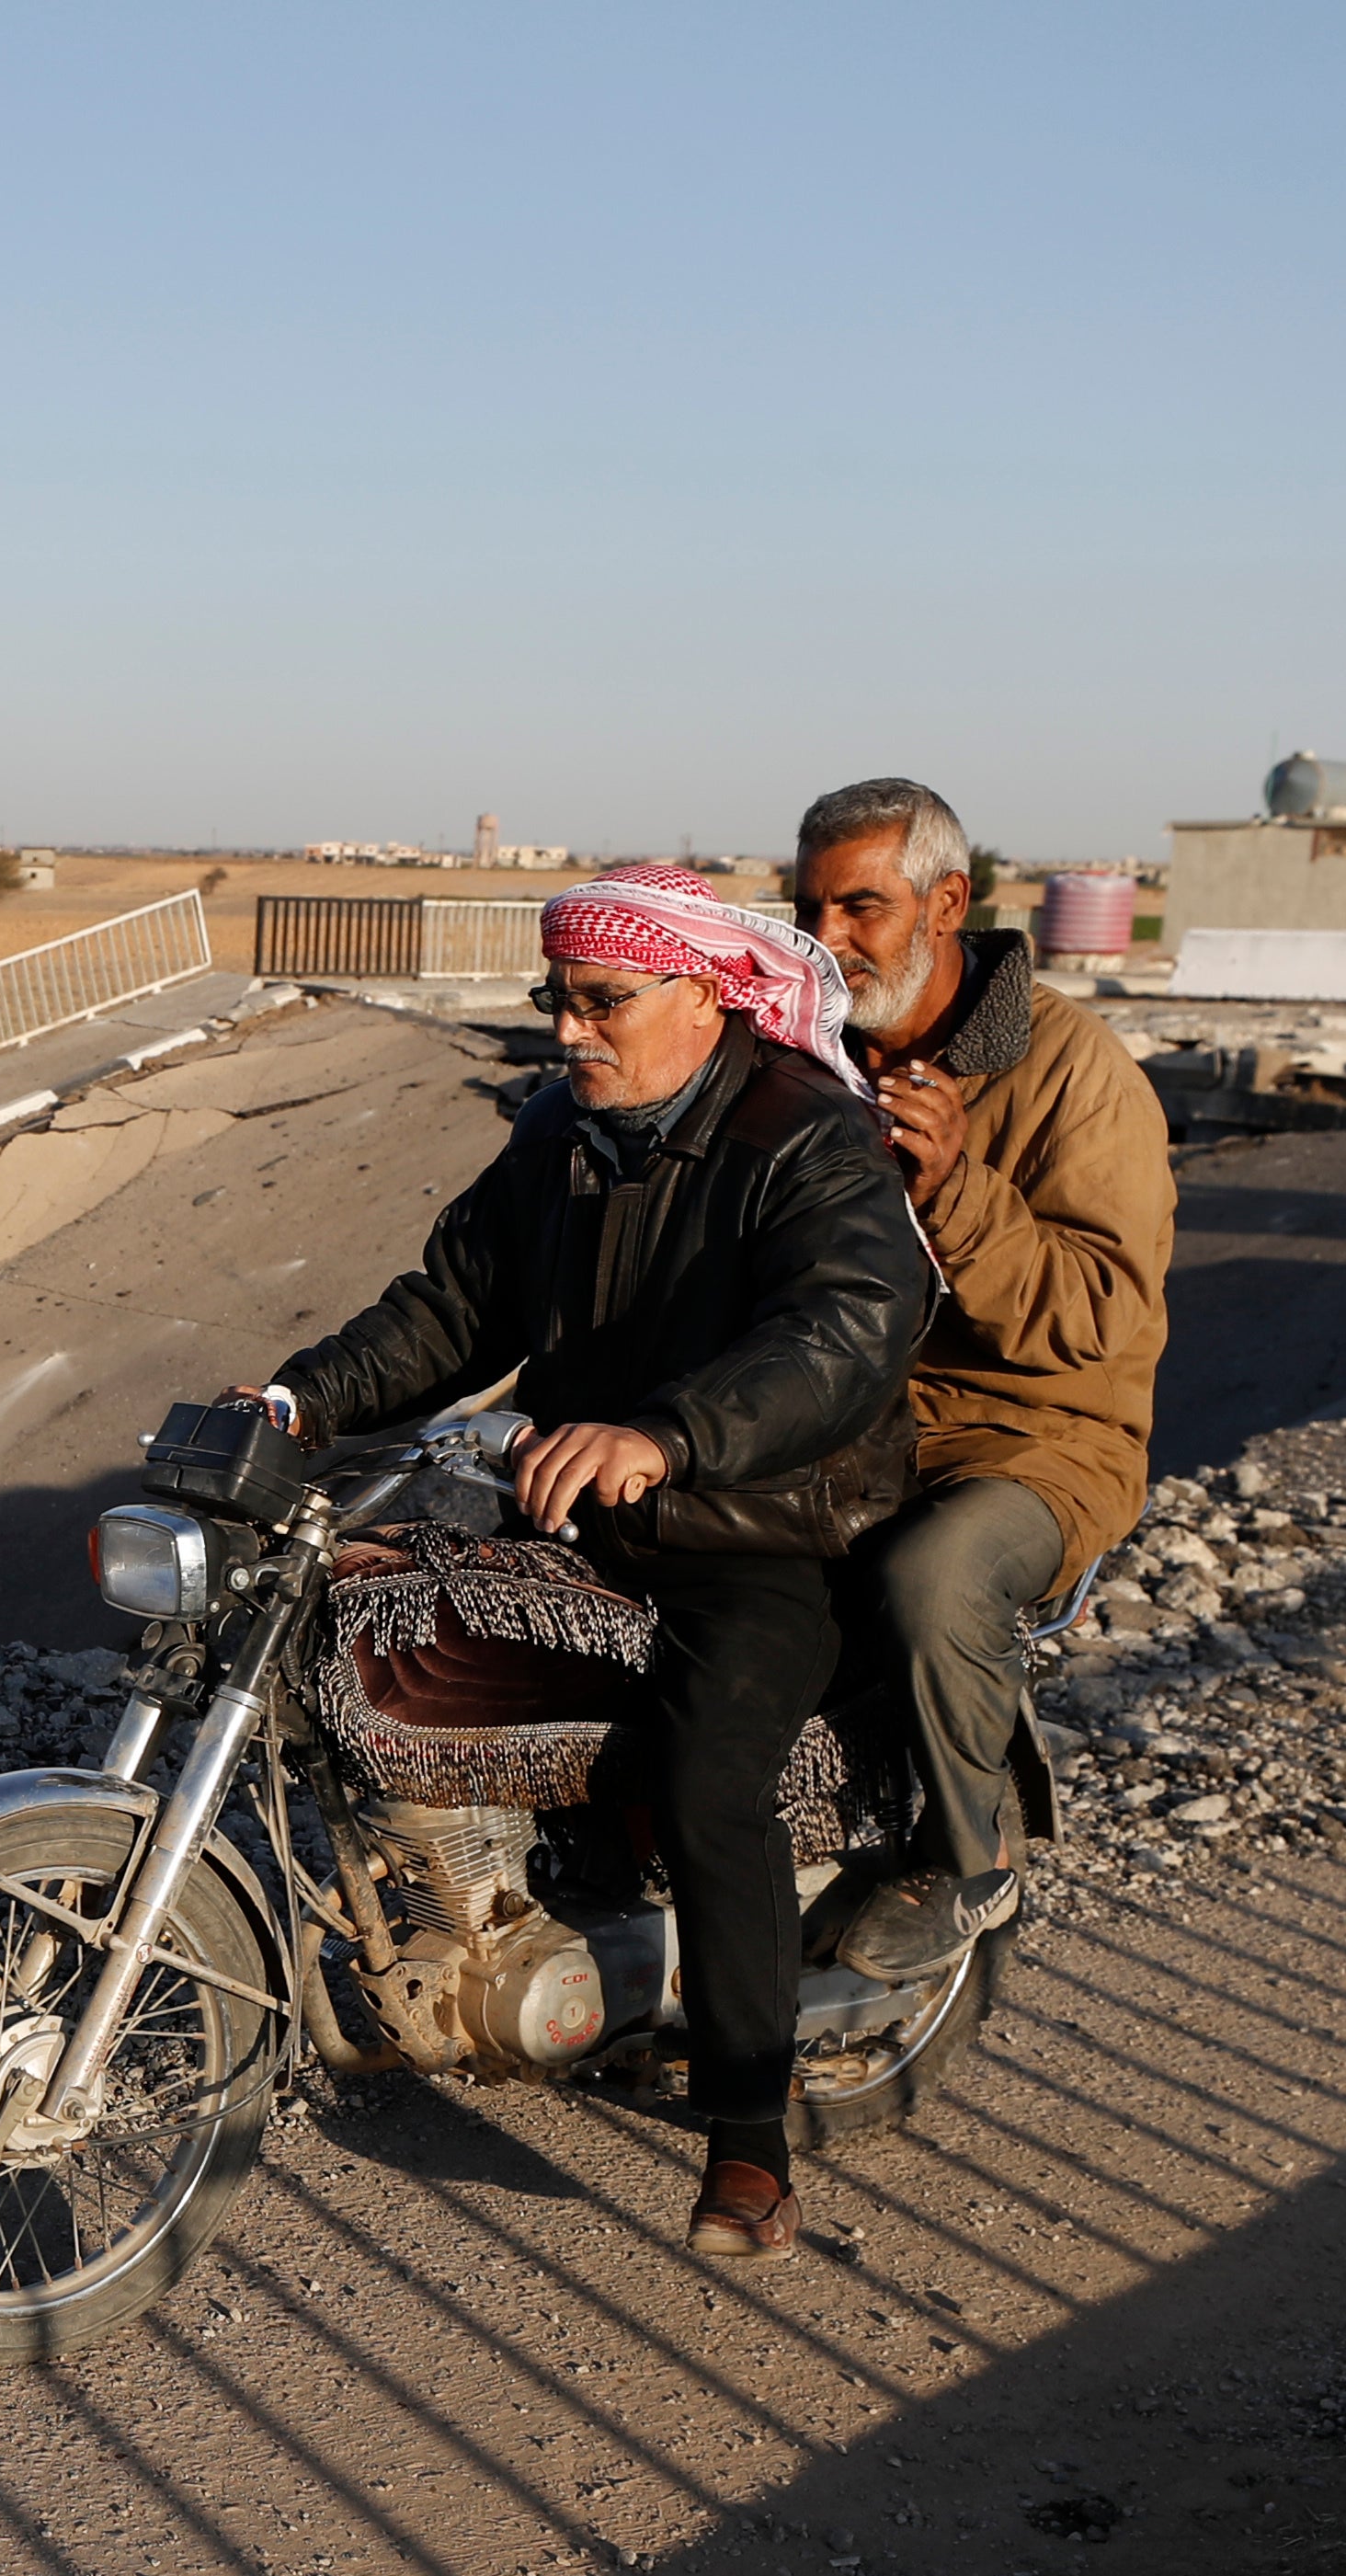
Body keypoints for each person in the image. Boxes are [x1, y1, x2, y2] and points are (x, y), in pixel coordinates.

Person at [251, 865, 933, 2261]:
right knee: (391, 1641)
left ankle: (749, 2137)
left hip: (765, 1532)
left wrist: (669, 1436)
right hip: (584, 1510)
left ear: (703, 996)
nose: (569, 1029)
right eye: (557, 999)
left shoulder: (808, 1133)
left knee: (710, 1777)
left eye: (601, 1000)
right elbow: (453, 1307)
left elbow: (848, 1327)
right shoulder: (563, 1132)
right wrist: (295, 1402)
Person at [784, 779, 1176, 1983]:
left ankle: (968, 1858)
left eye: (862, 907)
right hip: (852, 1421)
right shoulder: (813, 1052)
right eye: (810, 909)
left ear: (947, 904)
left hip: (1038, 1439)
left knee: (933, 1571)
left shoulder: (1076, 1073)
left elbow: (1100, 1317)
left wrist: (957, 1191)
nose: (830, 940)